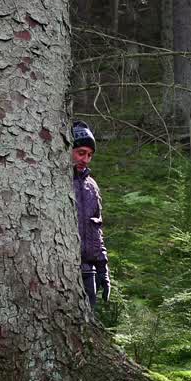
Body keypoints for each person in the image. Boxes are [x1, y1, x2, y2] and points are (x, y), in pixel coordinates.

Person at [71, 121, 110, 308]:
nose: (85, 159)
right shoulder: (56, 182)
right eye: (81, 153)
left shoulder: (92, 186)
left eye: (89, 155)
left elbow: (97, 231)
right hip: (63, 269)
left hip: (89, 272)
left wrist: (103, 269)